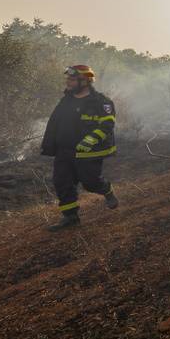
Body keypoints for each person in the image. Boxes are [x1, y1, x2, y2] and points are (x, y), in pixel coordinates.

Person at [40, 65, 119, 230]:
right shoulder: (66, 100)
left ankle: (107, 190)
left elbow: (107, 125)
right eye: (68, 79)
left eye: (72, 79)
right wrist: (50, 144)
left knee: (91, 183)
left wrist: (90, 140)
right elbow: (55, 123)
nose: (68, 82)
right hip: (64, 152)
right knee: (62, 183)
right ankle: (71, 217)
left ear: (85, 81)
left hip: (87, 153)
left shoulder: (101, 102)